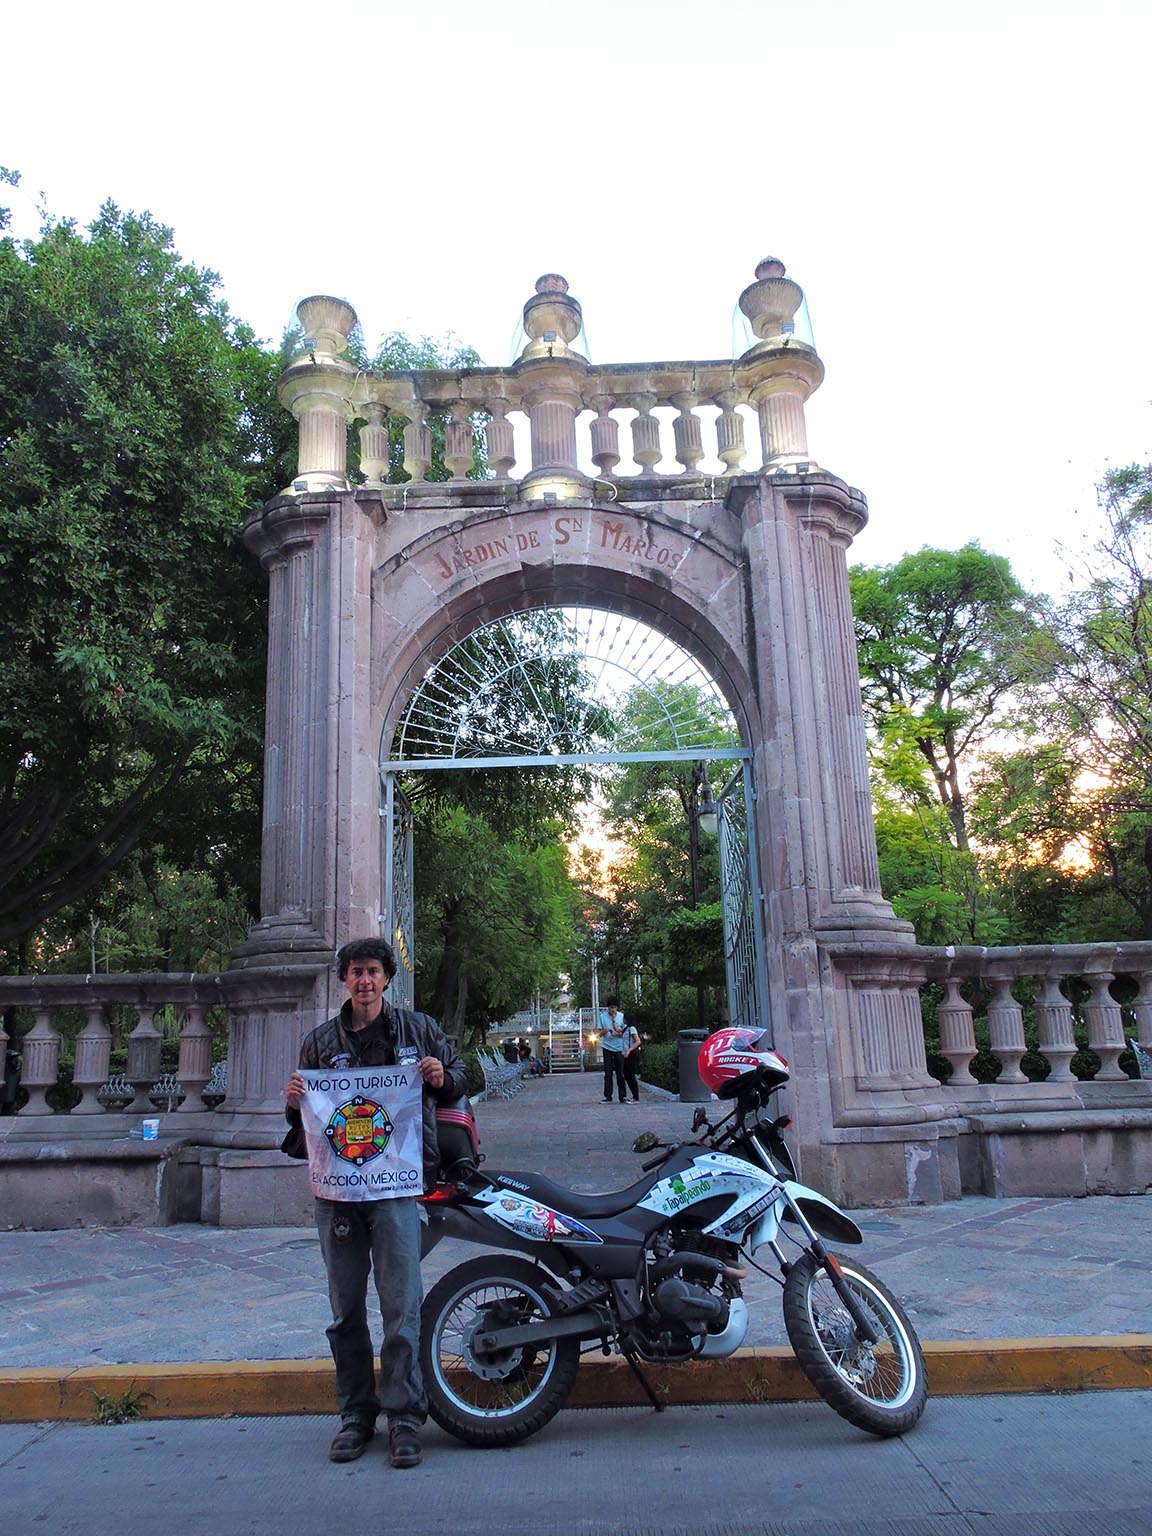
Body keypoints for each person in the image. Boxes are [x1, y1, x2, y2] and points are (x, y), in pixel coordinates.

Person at [283, 938, 468, 1470]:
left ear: (387, 978)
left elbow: (460, 1080)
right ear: (344, 980)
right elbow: (305, 1125)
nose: (363, 981)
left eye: (372, 972)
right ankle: (356, 1416)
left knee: (400, 1306)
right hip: (338, 1195)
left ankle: (405, 1418)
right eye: (355, 972)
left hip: (397, 1191)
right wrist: (294, 1101)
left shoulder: (420, 1030)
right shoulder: (320, 1043)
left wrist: (440, 1075)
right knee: (344, 1311)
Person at [598, 996, 632, 1103]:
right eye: (611, 1007)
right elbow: (598, 1033)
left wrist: (617, 1033)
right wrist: (605, 1031)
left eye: (615, 1007)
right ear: (608, 1008)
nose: (613, 1010)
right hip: (607, 1047)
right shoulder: (602, 1017)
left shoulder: (621, 1017)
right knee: (608, 1073)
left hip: (619, 1048)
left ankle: (623, 1096)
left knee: (620, 1073)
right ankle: (608, 1096)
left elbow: (625, 1032)